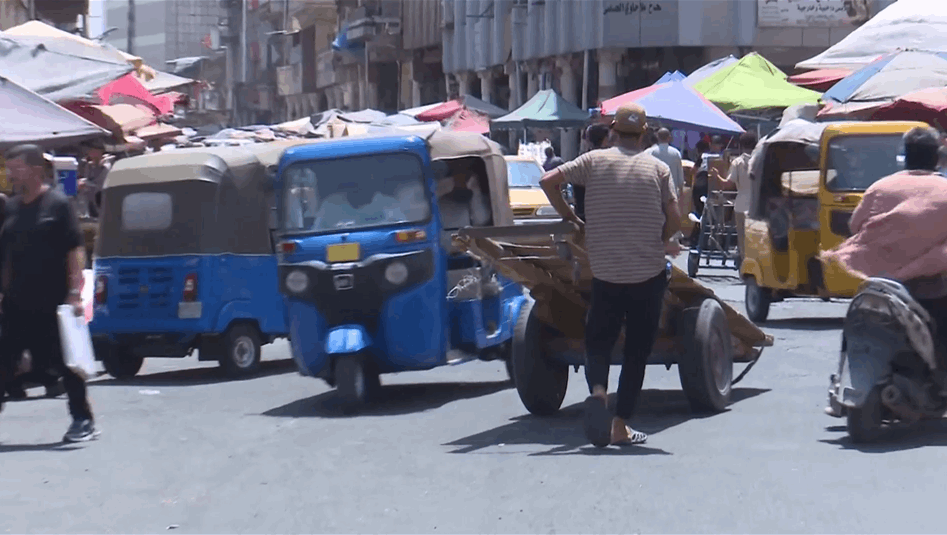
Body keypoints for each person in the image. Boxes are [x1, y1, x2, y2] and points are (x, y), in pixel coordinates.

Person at [539, 103, 681, 448]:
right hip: (647, 274)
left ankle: (599, 392)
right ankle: (619, 426)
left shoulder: (593, 161)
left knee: (599, 341)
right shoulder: (657, 168)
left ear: (613, 131)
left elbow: (548, 180)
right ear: (645, 133)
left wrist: (571, 217)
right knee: (635, 351)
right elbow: (675, 216)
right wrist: (665, 241)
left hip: (605, 272)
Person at [822, 127, 947, 368]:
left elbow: (855, 225)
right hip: (930, 289)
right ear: (936, 157)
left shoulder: (880, 187)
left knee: (855, 332)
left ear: (905, 157)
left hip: (880, 286)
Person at [0, 144, 98, 442]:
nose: (10, 174)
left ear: (34, 169)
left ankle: (83, 420)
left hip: (53, 302)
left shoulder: (57, 204)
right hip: (16, 302)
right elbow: (5, 256)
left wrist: (73, 292)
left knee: (66, 363)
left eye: (16, 168)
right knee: (3, 361)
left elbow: (75, 250)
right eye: (9, 168)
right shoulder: (12, 208)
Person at [711, 131, 757, 261]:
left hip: (742, 204)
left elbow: (727, 184)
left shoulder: (738, 162)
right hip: (759, 205)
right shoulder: (761, 160)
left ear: (741, 145)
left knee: (742, 238)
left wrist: (716, 176)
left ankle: (745, 264)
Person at [573, 124, 611, 221]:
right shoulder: (609, 161)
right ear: (605, 140)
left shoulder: (582, 160)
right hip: (604, 217)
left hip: (584, 217)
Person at [646, 128, 685, 200]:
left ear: (657, 137)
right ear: (669, 138)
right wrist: (681, 190)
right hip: (671, 192)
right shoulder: (676, 153)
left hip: (654, 191)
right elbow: (680, 173)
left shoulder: (649, 152)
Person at [77, 140, 113, 218]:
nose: (90, 153)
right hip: (90, 201)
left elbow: (102, 184)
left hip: (102, 201)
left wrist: (85, 183)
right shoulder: (89, 165)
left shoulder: (106, 165)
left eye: (92, 150)